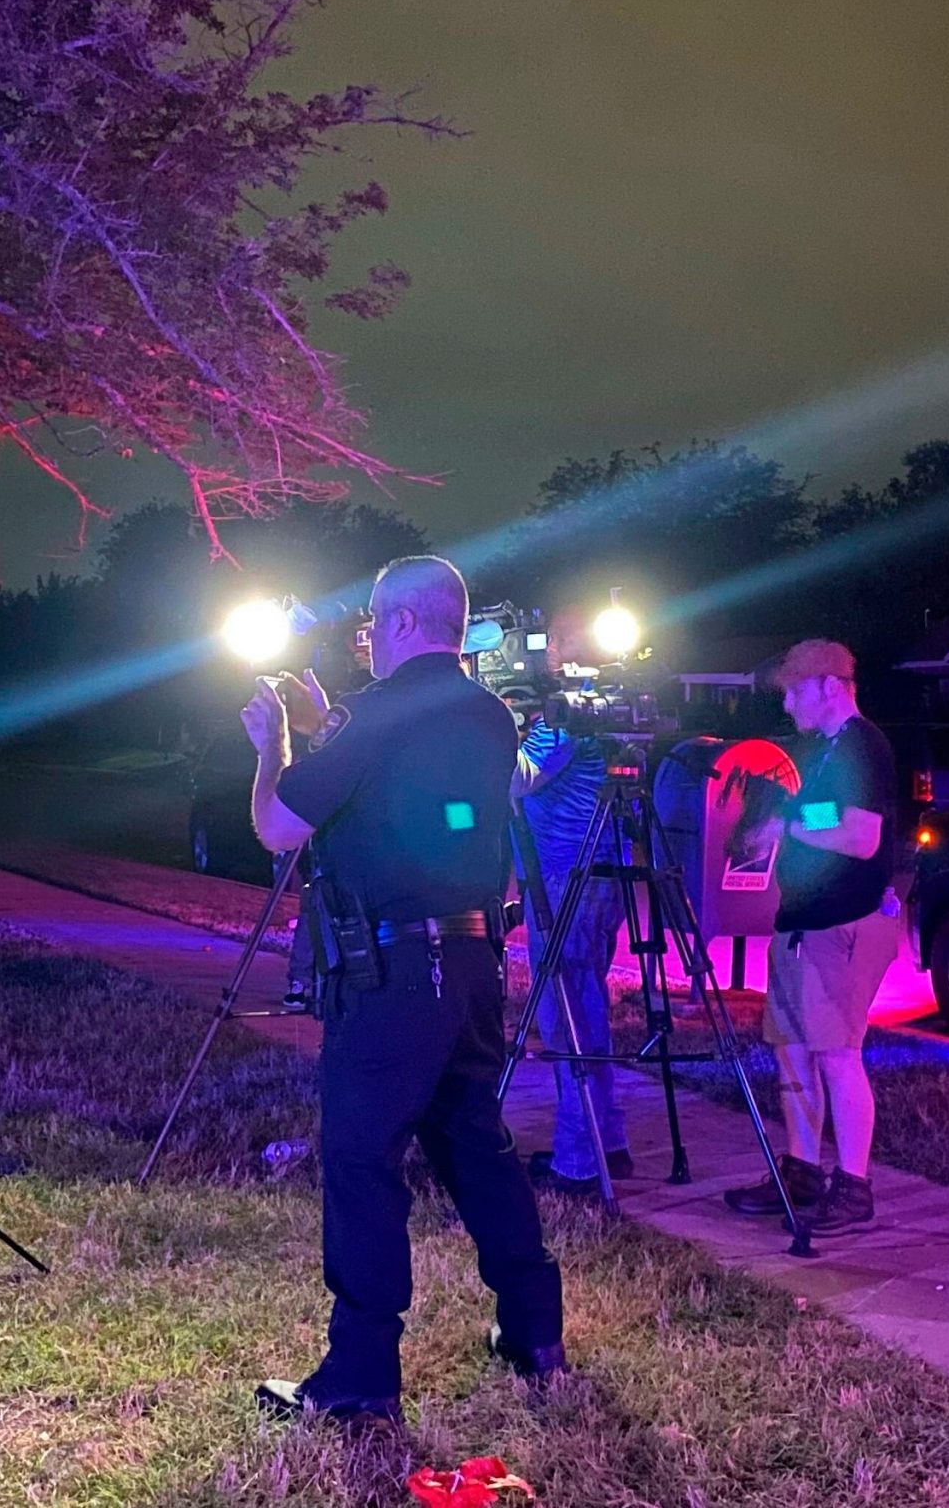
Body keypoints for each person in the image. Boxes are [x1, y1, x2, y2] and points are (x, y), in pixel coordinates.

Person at [245, 555, 566, 1425]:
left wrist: (273, 742)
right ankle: (535, 1328)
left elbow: (278, 825)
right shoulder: (491, 714)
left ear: (396, 623)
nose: (366, 641)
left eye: (371, 626)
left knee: (362, 1158)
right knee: (472, 1140)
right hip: (471, 964)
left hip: (390, 974)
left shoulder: (375, 711)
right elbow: (402, 795)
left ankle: (360, 1374)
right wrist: (329, 728)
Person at [722, 639, 902, 1235]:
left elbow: (861, 830)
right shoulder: (816, 752)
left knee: (836, 1055)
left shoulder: (862, 746)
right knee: (793, 1051)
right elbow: (826, 815)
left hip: (840, 927)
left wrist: (790, 822)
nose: (790, 704)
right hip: (801, 925)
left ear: (830, 687)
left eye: (796, 691)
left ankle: (854, 1187)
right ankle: (801, 1173)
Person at [510, 692, 635, 1197]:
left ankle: (579, 1162)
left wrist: (497, 731)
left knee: (567, 1021)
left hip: (564, 881)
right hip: (603, 876)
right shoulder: (605, 721)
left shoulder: (558, 728)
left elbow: (513, 782)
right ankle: (607, 1142)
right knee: (586, 1005)